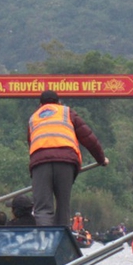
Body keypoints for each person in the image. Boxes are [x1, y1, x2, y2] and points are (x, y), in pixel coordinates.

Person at [27, 89, 109, 229]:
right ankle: (61, 243)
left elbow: (31, 142)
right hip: (66, 163)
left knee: (42, 209)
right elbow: (88, 137)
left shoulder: (33, 118)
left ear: (40, 104)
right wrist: (101, 159)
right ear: (59, 102)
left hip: (40, 163)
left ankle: (46, 242)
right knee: (63, 205)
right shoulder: (66, 112)